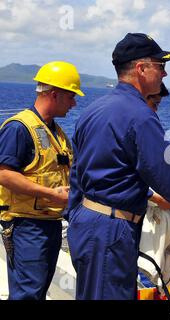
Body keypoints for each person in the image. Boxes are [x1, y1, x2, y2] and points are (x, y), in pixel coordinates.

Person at [65, 32, 170, 300]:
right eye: (161, 66)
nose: (165, 75)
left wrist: (75, 215)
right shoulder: (140, 116)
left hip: (87, 222)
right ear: (141, 68)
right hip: (111, 230)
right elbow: (169, 178)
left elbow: (77, 172)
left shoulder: (94, 110)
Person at [0, 61, 83, 300]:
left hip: (49, 224)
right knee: (28, 294)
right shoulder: (19, 128)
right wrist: (51, 194)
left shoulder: (57, 133)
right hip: (27, 227)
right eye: (71, 97)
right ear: (54, 94)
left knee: (37, 291)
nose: (74, 103)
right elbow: (4, 174)